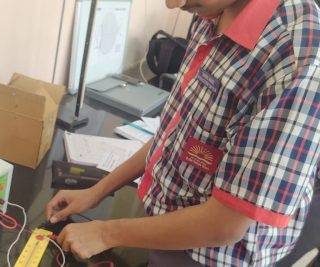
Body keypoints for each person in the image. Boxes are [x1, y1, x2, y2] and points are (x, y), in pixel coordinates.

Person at [46, 0, 320, 266]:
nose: (172, 4)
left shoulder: (298, 52)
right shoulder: (210, 13)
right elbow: (172, 134)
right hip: (161, 229)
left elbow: (226, 224)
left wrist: (106, 233)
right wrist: (96, 191)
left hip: (213, 255)